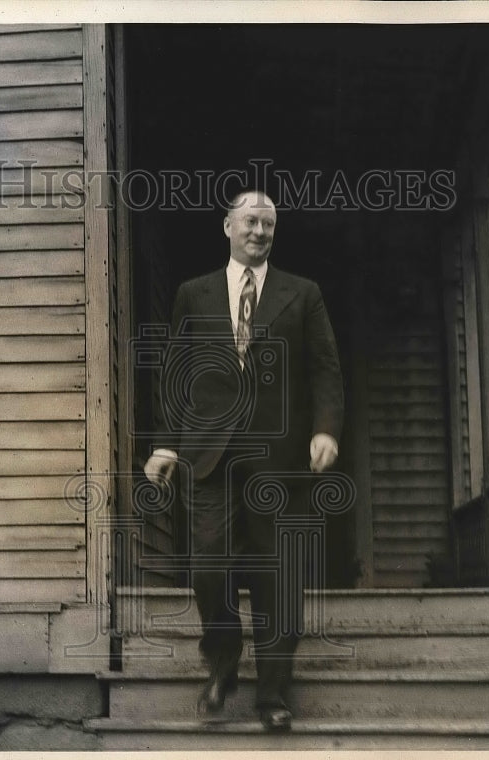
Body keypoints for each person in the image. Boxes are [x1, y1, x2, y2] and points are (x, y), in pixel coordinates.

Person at [143, 190, 344, 731]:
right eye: (251, 221)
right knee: (208, 566)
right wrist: (166, 444)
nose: (259, 231)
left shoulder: (303, 294)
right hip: (210, 457)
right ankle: (224, 661)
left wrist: (325, 430)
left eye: (269, 225)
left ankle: (273, 695)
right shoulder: (193, 293)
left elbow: (325, 368)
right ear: (227, 226)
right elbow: (174, 375)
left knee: (279, 579)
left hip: (278, 463)